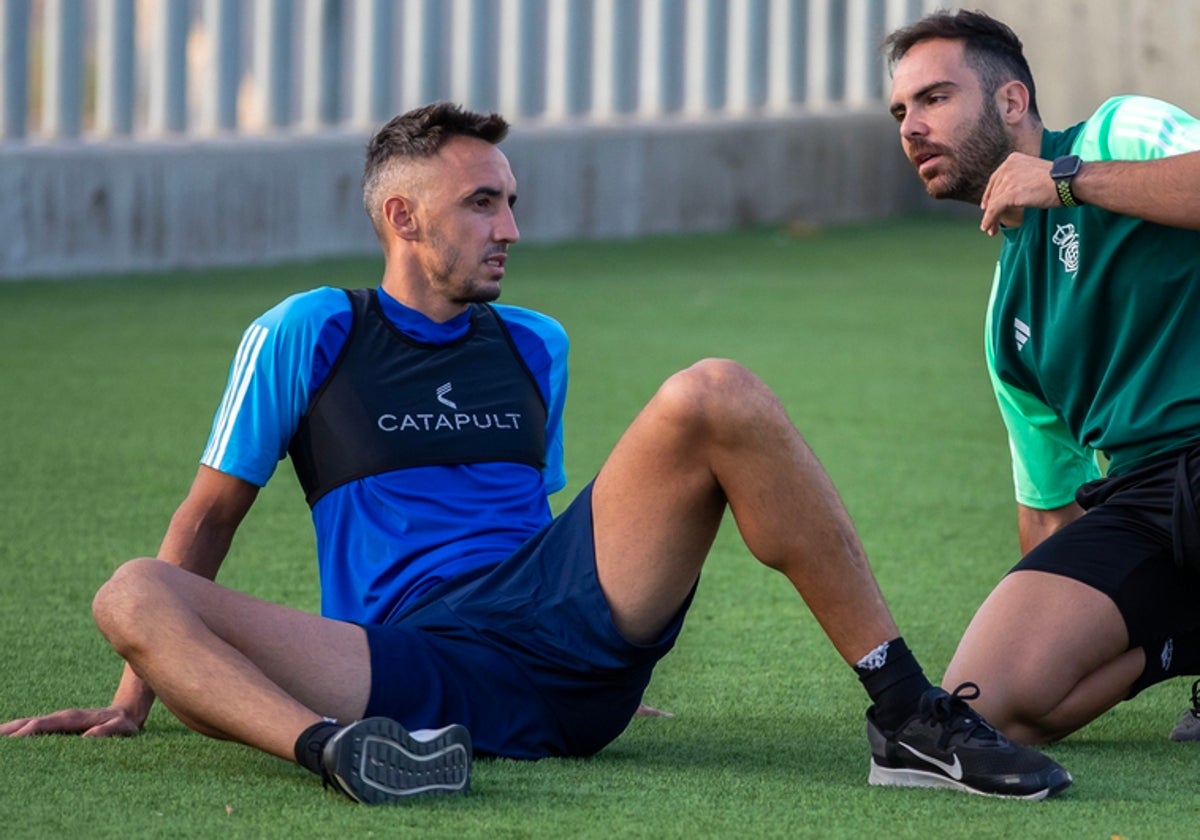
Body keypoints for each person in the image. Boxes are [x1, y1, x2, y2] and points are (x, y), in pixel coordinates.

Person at [0, 103, 1069, 802]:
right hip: (404, 667)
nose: (509, 225)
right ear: (402, 215)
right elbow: (208, 519)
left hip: (558, 646)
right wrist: (137, 691)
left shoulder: (534, 343)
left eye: (512, 200)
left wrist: (593, 652)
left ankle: (906, 711)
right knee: (135, 593)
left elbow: (532, 531)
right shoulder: (311, 329)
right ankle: (344, 756)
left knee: (715, 392)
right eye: (481, 203)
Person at [883, 9, 1200, 746]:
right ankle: (1181, 642)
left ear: (1012, 102)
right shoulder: (1007, 323)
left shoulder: (1119, 134)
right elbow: (1051, 511)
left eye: (934, 98)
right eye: (900, 111)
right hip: (1146, 500)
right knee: (984, 706)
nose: (911, 127)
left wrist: (1067, 181)